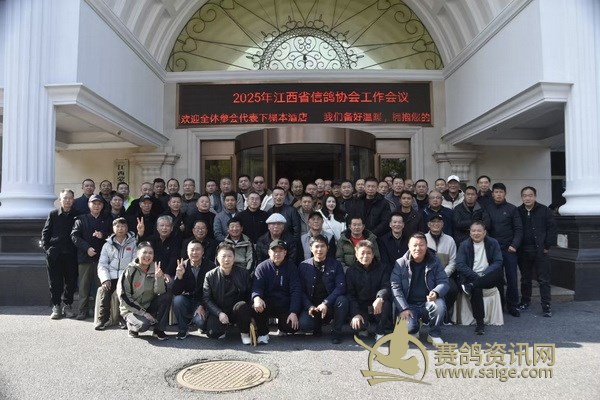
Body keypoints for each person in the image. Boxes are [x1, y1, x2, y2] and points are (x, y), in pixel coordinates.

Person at [391, 233, 449, 345]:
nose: (418, 248)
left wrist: (436, 292)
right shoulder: (400, 263)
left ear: (426, 246)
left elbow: (444, 282)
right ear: (409, 246)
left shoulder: (435, 261)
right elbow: (395, 287)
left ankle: (434, 334)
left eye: (421, 245)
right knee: (409, 328)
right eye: (415, 245)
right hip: (408, 305)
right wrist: (403, 308)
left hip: (427, 302)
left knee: (439, 305)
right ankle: (415, 327)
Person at [298, 235, 348, 344]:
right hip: (312, 306)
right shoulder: (303, 266)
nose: (319, 249)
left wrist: (326, 303)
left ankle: (336, 332)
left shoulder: (336, 265)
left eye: (322, 246)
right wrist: (309, 306)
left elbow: (341, 287)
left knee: (342, 300)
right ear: (311, 248)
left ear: (327, 248)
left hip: (330, 305)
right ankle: (317, 324)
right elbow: (300, 290)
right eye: (316, 246)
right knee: (305, 325)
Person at [456, 221, 504, 335]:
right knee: (477, 288)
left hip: (488, 276)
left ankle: (472, 285)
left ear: (484, 232)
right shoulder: (464, 245)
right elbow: (460, 265)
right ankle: (480, 323)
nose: (476, 233)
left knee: (497, 273)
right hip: (471, 276)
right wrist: (476, 276)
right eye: (473, 231)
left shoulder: (493, 242)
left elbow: (498, 261)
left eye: (479, 231)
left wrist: (485, 273)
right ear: (470, 233)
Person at [117, 242, 172, 340]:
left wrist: (159, 278)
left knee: (166, 295)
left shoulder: (155, 269)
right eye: (144, 252)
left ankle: (158, 330)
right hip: (131, 309)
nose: (147, 256)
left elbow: (159, 292)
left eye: (150, 253)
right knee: (143, 325)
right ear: (138, 253)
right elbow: (124, 296)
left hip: (148, 305)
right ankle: (131, 326)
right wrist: (143, 313)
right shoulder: (129, 271)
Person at [517, 186, 557, 317]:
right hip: (523, 251)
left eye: (530, 195)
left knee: (544, 280)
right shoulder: (518, 211)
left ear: (535, 196)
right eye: (525, 196)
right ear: (522, 197)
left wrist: (547, 246)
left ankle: (546, 306)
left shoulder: (545, 210)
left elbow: (552, 229)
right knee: (525, 279)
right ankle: (525, 301)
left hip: (541, 251)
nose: (527, 198)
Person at [251, 240, 302, 344]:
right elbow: (257, 287)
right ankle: (263, 333)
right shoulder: (262, 267)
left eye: (280, 251)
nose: (277, 254)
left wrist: (294, 311)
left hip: (284, 304)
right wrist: (257, 297)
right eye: (274, 251)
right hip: (267, 303)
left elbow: (295, 290)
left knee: (292, 327)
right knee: (256, 305)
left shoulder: (291, 267)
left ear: (285, 253)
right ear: (269, 252)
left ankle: (282, 328)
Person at [41, 189, 82, 319]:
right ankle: (56, 305)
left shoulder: (78, 215)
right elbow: (45, 233)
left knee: (71, 282)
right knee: (55, 282)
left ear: (73, 200)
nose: (67, 200)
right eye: (65, 198)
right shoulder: (53, 214)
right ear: (60, 200)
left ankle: (68, 305)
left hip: (71, 254)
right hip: (54, 254)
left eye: (70, 198)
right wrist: (47, 249)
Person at [71, 194, 111, 320]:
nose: (96, 206)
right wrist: (86, 248)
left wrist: (103, 235)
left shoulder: (107, 219)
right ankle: (82, 310)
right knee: (84, 286)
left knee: (100, 286)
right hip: (85, 257)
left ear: (102, 206)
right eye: (94, 203)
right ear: (89, 205)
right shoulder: (81, 219)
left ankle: (99, 310)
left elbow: (113, 234)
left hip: (102, 258)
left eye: (99, 204)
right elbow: (74, 236)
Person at [203, 243, 253, 343]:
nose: (227, 259)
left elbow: (249, 294)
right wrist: (219, 313)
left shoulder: (244, 273)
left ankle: (244, 333)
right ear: (217, 258)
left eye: (230, 256)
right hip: (219, 310)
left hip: (237, 310)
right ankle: (224, 327)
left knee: (242, 306)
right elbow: (207, 299)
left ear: (234, 258)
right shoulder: (210, 275)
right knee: (213, 333)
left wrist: (251, 316)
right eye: (223, 256)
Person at [487, 182, 523, 317]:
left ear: (505, 193)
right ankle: (499, 305)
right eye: (496, 192)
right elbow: (485, 228)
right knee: (497, 279)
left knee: (512, 278)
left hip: (509, 249)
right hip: (494, 249)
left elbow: (518, 229)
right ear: (492, 194)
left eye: (501, 192)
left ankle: (513, 305)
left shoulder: (512, 209)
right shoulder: (487, 209)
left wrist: (514, 245)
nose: (498, 194)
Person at [95, 217, 137, 330]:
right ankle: (103, 319)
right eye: (117, 226)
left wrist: (128, 277)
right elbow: (102, 264)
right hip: (111, 276)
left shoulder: (133, 243)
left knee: (124, 291)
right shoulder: (107, 245)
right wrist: (105, 279)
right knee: (105, 290)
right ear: (113, 228)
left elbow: (135, 262)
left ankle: (123, 318)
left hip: (126, 276)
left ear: (127, 228)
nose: (120, 229)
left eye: (123, 226)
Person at [346, 240, 392, 340]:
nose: (365, 256)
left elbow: (386, 286)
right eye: (362, 253)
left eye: (368, 253)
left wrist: (380, 298)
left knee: (385, 303)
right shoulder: (351, 271)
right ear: (356, 254)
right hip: (361, 306)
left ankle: (380, 331)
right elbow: (350, 295)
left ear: (373, 254)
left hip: (376, 305)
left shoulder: (383, 268)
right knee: (358, 326)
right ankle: (364, 327)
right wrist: (355, 313)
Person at [171, 240, 216, 339]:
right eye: (192, 250)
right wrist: (179, 277)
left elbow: (213, 291)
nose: (195, 252)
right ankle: (183, 329)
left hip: (203, 301)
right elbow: (176, 291)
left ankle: (201, 324)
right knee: (177, 300)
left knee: (200, 322)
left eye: (197, 249)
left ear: (203, 252)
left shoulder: (210, 266)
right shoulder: (183, 265)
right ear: (187, 252)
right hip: (187, 299)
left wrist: (202, 305)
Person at [424, 214, 458, 324]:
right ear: (428, 224)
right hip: (427, 275)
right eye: (433, 222)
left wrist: (444, 274)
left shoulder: (450, 240)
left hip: (445, 274)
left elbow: (453, 261)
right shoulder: (423, 239)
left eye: (439, 222)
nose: (436, 224)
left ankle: (444, 315)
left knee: (453, 290)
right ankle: (426, 316)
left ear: (442, 224)